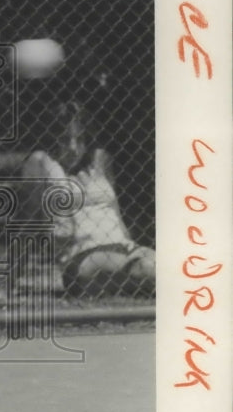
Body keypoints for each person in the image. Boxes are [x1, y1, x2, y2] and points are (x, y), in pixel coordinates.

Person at [19, 94, 155, 298]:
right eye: (64, 140)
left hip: (125, 247)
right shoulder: (43, 164)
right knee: (147, 269)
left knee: (162, 264)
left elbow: (116, 213)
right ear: (50, 139)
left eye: (80, 140)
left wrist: (131, 244)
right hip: (83, 256)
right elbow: (45, 225)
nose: (73, 148)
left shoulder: (98, 163)